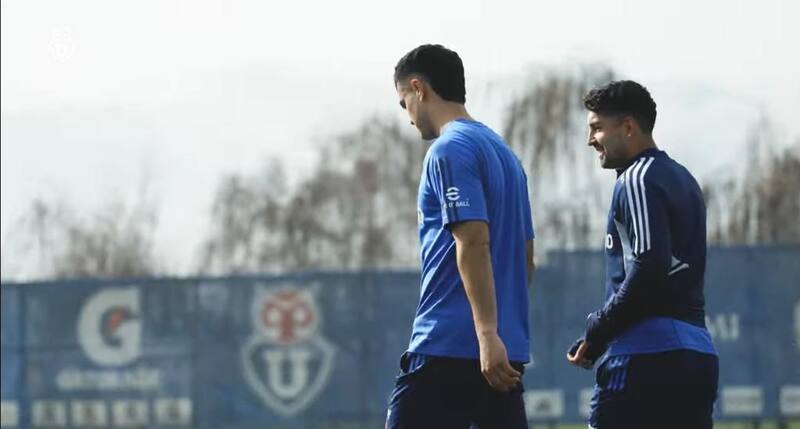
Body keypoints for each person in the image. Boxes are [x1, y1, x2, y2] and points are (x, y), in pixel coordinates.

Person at [385, 44, 535, 429]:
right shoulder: (506, 156)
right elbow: (525, 259)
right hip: (502, 354)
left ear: (418, 88)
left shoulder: (448, 151)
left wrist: (484, 333)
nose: (409, 117)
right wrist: (499, 334)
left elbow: (472, 241)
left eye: (405, 104)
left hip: (450, 347)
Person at [567, 80, 718, 429]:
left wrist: (599, 329)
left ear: (629, 127)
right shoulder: (683, 179)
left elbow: (649, 265)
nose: (591, 139)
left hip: (645, 358)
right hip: (696, 354)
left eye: (597, 128)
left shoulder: (635, 179)